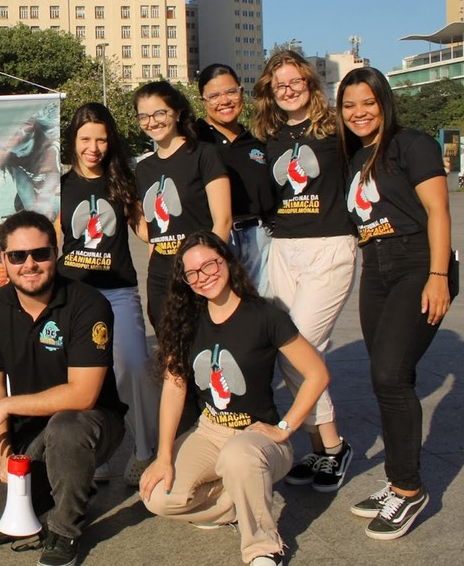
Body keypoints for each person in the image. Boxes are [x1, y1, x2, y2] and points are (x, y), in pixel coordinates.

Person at [139, 230, 329, 566]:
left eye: (210, 264)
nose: (204, 277)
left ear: (227, 261)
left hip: (257, 436)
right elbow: (174, 387)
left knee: (240, 456)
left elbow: (317, 374)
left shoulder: (265, 316)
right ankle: (238, 503)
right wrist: (164, 455)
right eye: (192, 272)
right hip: (210, 430)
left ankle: (262, 547)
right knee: (156, 495)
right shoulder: (187, 320)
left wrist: (284, 428)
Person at [0, 210, 127, 566]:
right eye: (18, 256)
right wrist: (4, 446)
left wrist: (7, 407)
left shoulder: (88, 304)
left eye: (40, 253)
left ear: (55, 253)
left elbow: (83, 395)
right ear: (4, 260)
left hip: (90, 422)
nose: (30, 264)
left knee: (66, 429)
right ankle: (69, 484)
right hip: (31, 430)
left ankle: (65, 531)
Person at [336, 67, 451, 539]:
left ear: (383, 102)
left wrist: (438, 276)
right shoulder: (354, 155)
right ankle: (397, 482)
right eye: (349, 106)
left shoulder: (412, 144)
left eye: (368, 103)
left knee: (390, 373)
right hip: (376, 267)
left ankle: (408, 490)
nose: (359, 113)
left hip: (415, 263)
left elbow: (438, 211)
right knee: (387, 377)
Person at [252, 51, 356, 492]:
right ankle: (320, 447)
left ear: (311, 84)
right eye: (280, 84)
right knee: (287, 350)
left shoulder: (336, 131)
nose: (288, 89)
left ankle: (333, 447)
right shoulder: (269, 137)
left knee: (302, 350)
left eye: (295, 81)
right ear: (270, 93)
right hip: (284, 248)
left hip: (329, 247)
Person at [58, 102, 157, 486]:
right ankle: (94, 452)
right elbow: (52, 240)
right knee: (84, 378)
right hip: (74, 297)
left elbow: (146, 229)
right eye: (85, 138)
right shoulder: (59, 186)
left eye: (101, 139)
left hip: (118, 291)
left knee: (133, 367)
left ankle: (145, 451)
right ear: (73, 140)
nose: (93, 147)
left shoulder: (123, 180)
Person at [133, 80, 231, 331]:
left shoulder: (203, 155)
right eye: (143, 116)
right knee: (170, 351)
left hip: (200, 271)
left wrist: (208, 268)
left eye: (159, 113)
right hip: (161, 276)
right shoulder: (143, 169)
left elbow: (223, 221)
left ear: (176, 112)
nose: (152, 122)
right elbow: (150, 233)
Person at [195, 64, 278, 292]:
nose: (225, 101)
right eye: (214, 95)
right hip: (217, 239)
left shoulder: (258, 140)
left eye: (231, 92)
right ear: (203, 101)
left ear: (242, 93)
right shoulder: (194, 141)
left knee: (263, 312)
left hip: (260, 240)